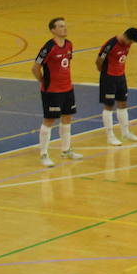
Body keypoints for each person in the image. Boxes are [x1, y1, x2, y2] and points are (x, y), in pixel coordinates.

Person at [32, 17, 80, 167]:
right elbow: (35, 68)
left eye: (65, 26)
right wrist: (43, 82)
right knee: (49, 120)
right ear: (53, 30)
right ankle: (44, 154)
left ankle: (66, 150)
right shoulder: (48, 47)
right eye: (60, 26)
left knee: (67, 118)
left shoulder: (69, 45)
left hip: (67, 88)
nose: (64, 29)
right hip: (52, 91)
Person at [96, 26, 137, 146]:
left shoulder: (127, 44)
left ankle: (125, 132)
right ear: (126, 36)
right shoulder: (111, 44)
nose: (131, 44)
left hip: (121, 76)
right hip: (109, 77)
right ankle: (110, 136)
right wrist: (105, 74)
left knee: (122, 103)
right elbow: (99, 61)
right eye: (131, 41)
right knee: (109, 105)